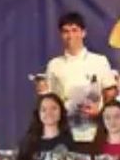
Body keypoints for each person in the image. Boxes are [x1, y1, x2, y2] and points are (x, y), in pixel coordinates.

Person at [40, 12, 115, 143]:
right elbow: (49, 99)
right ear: (61, 35)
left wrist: (100, 111)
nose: (70, 36)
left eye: (74, 30)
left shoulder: (99, 61)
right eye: (66, 31)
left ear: (83, 33)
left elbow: (111, 93)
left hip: (95, 130)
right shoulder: (54, 65)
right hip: (64, 131)